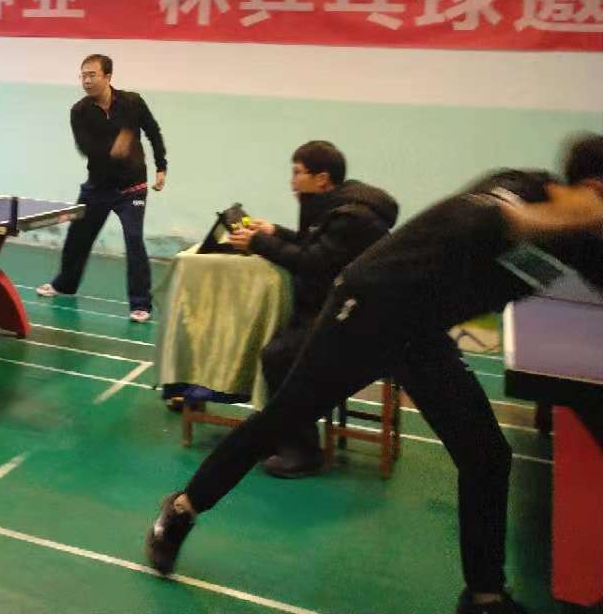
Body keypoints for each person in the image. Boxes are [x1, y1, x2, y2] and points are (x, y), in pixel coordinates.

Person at [145, 134, 603, 614]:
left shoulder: (581, 243)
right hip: (364, 310)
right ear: (592, 188)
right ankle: (181, 510)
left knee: (486, 456)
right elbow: (476, 219)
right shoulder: (518, 189)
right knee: (280, 420)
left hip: (420, 334)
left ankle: (484, 596)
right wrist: (554, 219)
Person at [226, 140, 397, 477]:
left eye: (297, 173)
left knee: (279, 357)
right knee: (281, 345)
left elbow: (313, 262)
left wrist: (258, 242)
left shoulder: (351, 217)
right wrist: (275, 232)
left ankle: (303, 452)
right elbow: (320, 247)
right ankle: (279, 434)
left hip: (361, 322)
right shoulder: (341, 207)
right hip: (341, 309)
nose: (292, 181)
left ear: (322, 179)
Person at [38, 53, 167, 320]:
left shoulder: (132, 102)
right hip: (97, 188)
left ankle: (141, 304)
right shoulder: (79, 111)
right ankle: (65, 285)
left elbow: (153, 131)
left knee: (134, 239)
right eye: (83, 76)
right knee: (77, 237)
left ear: (107, 76)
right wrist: (113, 150)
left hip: (132, 188)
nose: (86, 81)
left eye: (92, 75)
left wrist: (161, 166)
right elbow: (85, 147)